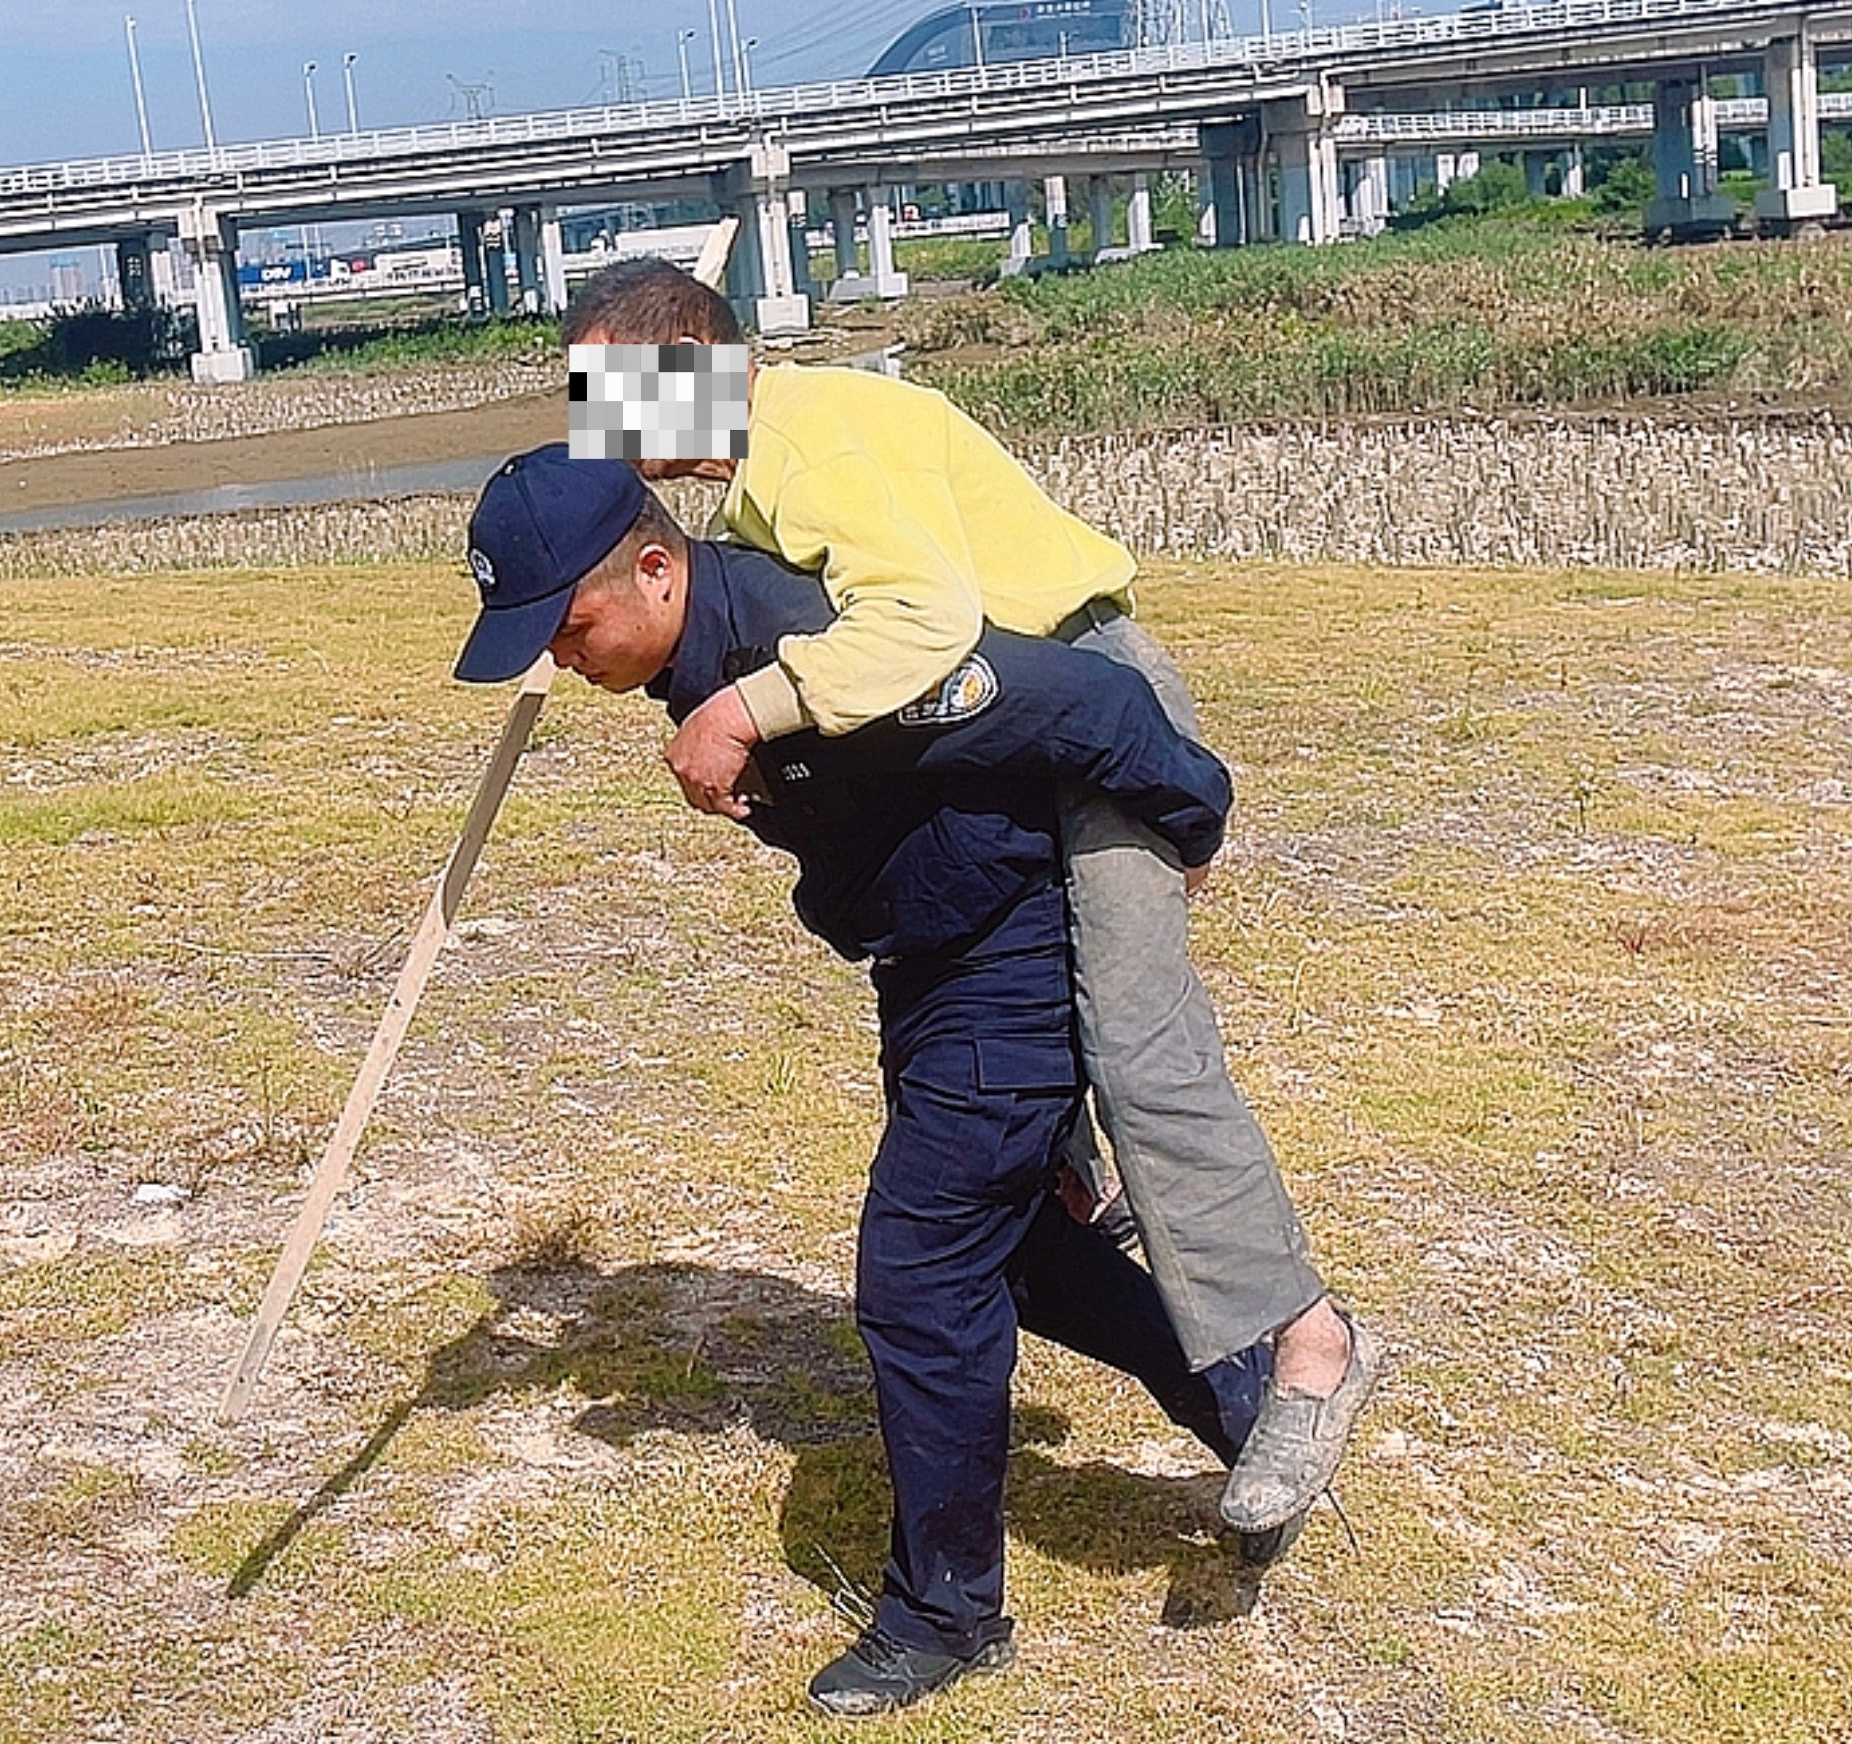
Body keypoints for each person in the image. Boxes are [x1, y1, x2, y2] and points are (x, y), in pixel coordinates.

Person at [556, 257, 1372, 1539]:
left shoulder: (808, 447)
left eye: (619, 396)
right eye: (586, 399)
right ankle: (1082, 1190)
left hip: (1091, 698)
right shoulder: (764, 471)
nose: (604, 431)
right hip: (1029, 712)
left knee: (1140, 1042)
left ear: (702, 367)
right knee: (1047, 1108)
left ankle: (1309, 1342)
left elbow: (925, 627)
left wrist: (741, 705)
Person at [456, 442, 1272, 1714]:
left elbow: (1089, 708)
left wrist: (1196, 816)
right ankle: (1250, 1405)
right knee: (1015, 1256)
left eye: (565, 625)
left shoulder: (819, 642)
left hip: (1007, 958)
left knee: (918, 1274)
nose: (558, 658)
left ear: (659, 568)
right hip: (927, 966)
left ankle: (946, 1616)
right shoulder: (697, 667)